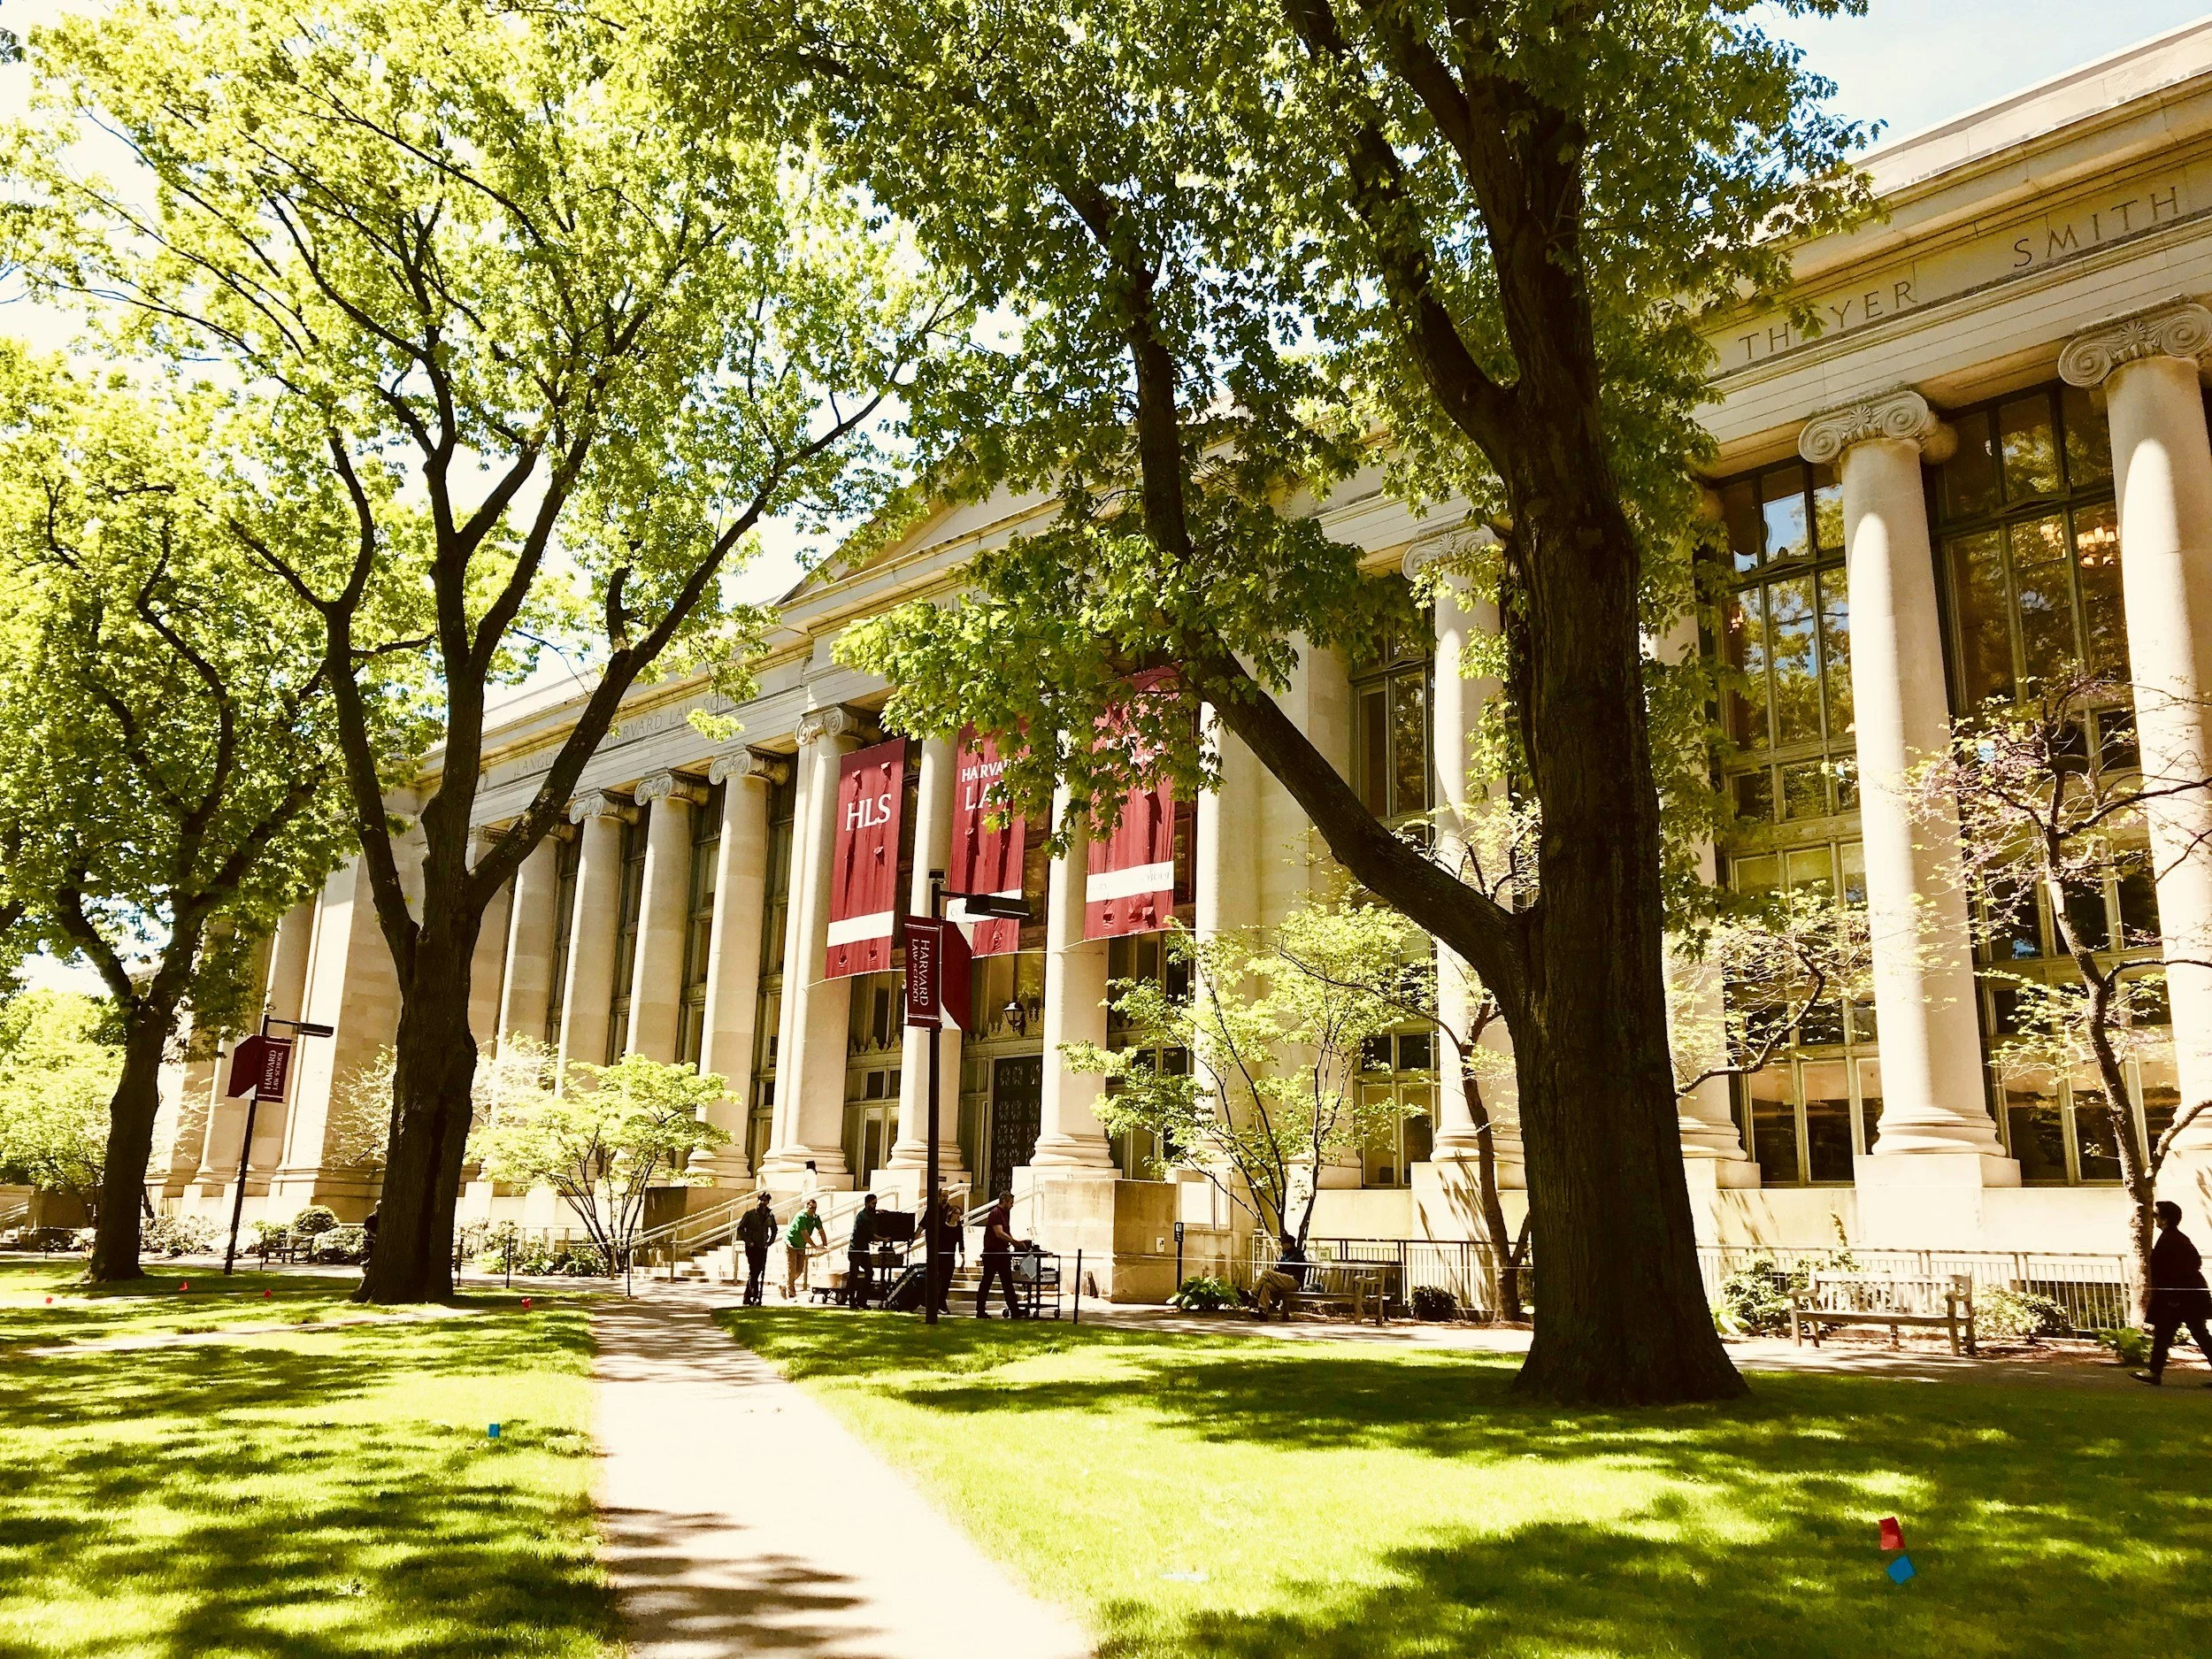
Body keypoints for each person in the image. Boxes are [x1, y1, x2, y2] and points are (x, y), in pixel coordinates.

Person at [2135, 1201, 2212, 1386]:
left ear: (2165, 1219)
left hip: (2181, 1297)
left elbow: (2181, 1268)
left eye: (2156, 1215)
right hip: (2185, 1296)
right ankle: (2154, 1371)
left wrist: (2175, 1296)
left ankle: (2154, 1372)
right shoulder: (2176, 1238)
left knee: (2178, 1333)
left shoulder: (2172, 1240)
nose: (2154, 1219)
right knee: (2174, 1333)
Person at [975, 1191, 1027, 1318]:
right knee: (987, 1282)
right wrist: (1015, 1242)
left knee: (1007, 1283)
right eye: (1010, 1203)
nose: (1012, 1205)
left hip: (1002, 1253)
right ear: (1004, 1201)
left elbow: (1005, 1233)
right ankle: (980, 1310)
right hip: (993, 1254)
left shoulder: (1004, 1214)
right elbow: (999, 1233)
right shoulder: (996, 1213)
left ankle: (1014, 1310)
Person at [925, 1187, 964, 1315]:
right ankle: (936, 1303)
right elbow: (924, 1225)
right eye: (957, 1214)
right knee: (938, 1280)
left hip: (950, 1256)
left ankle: (941, 1302)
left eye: (959, 1214)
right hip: (940, 1256)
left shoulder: (959, 1227)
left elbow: (961, 1242)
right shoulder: (942, 1226)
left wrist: (963, 1257)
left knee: (946, 1281)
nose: (958, 1216)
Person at [734, 1191, 777, 1307]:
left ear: (768, 1202)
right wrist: (749, 1241)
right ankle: (755, 1296)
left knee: (757, 1272)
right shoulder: (750, 1214)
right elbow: (740, 1229)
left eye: (765, 1200)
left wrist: (770, 1242)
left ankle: (747, 1298)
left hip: (762, 1247)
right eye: (761, 1200)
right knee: (754, 1271)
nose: (763, 1202)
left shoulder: (770, 1216)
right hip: (752, 1247)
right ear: (758, 1200)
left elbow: (774, 1229)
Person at [784, 1198, 825, 1300]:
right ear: (807, 1207)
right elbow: (805, 1234)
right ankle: (791, 1290)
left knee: (799, 1269)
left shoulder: (816, 1218)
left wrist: (825, 1244)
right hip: (791, 1243)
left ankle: (784, 1284)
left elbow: (821, 1231)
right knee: (792, 1267)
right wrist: (815, 1246)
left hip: (801, 1245)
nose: (813, 1210)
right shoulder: (801, 1216)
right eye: (811, 1208)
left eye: (815, 1208)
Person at [846, 1192, 880, 1308]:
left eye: (876, 1204)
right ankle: (852, 1302)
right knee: (854, 1275)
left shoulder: (869, 1215)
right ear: (867, 1204)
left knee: (869, 1272)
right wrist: (883, 1239)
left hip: (864, 1249)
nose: (875, 1206)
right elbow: (871, 1235)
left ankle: (862, 1300)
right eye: (873, 1204)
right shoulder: (862, 1216)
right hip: (855, 1250)